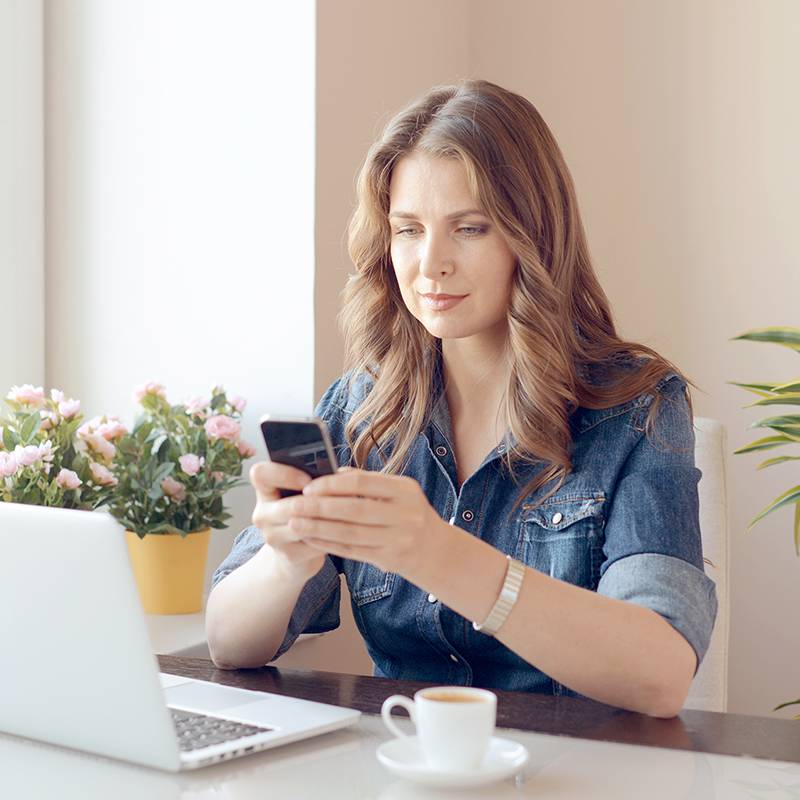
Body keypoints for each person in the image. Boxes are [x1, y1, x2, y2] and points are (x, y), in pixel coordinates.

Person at [206, 80, 717, 718]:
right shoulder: (364, 407)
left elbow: (661, 674)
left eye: (469, 228)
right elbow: (229, 643)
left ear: (532, 237)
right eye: (407, 230)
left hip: (574, 774)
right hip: (404, 770)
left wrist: (439, 553)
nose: (430, 263)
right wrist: (286, 561)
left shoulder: (635, 407)